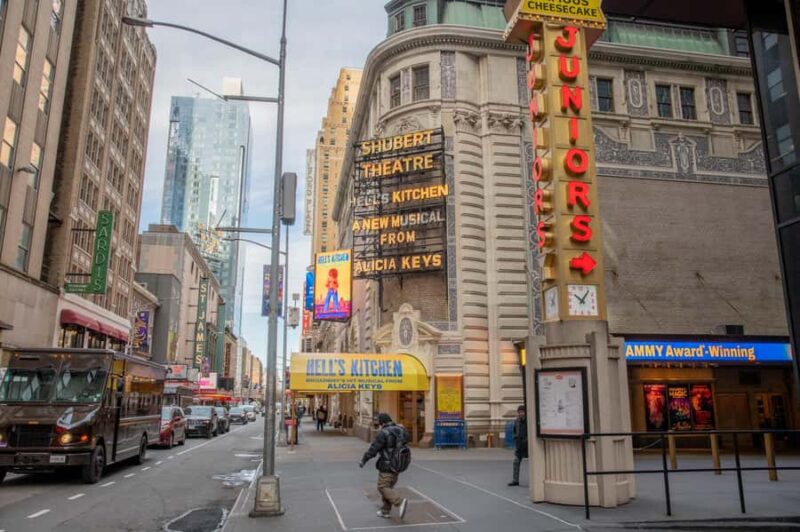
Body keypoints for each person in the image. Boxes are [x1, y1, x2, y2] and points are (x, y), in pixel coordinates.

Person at [359, 413, 409, 519]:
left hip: (387, 464)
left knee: (382, 487)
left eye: (379, 423)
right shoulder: (401, 430)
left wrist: (364, 460)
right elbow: (407, 439)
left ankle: (399, 502)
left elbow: (374, 449)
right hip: (399, 464)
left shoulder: (384, 433)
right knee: (388, 487)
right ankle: (385, 510)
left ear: (382, 423)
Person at [508, 405, 529, 486]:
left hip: (528, 445)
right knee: (516, 462)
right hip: (519, 445)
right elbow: (514, 430)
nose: (521, 414)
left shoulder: (529, 421)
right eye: (519, 412)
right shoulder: (517, 421)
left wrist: (527, 440)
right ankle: (515, 480)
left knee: (533, 463)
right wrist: (515, 438)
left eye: (522, 412)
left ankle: (535, 479)